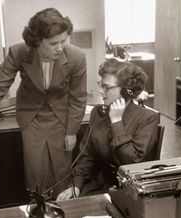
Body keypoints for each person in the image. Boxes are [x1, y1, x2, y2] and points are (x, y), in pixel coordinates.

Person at [0, 8, 87, 197]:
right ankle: (37, 209)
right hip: (31, 117)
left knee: (61, 169)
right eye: (53, 43)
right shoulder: (18, 52)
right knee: (35, 172)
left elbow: (78, 98)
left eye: (63, 41)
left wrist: (71, 132)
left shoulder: (77, 57)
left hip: (62, 118)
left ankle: (62, 212)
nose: (60, 48)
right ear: (36, 42)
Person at [57, 57, 159, 200]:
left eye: (107, 87)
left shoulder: (147, 118)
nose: (102, 92)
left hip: (129, 189)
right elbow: (88, 155)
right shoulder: (98, 113)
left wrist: (116, 122)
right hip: (99, 183)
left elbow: (131, 162)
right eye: (101, 85)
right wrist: (76, 185)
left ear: (127, 91)